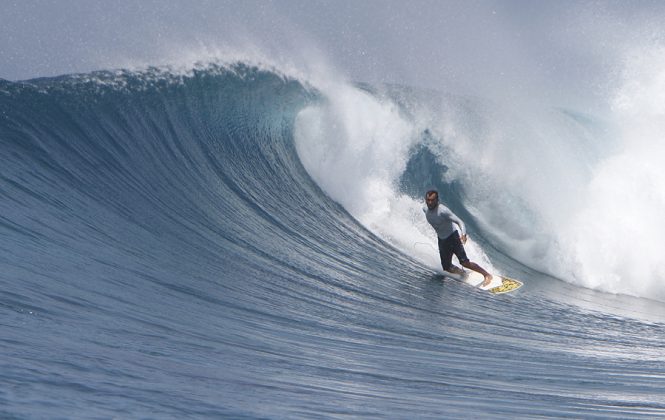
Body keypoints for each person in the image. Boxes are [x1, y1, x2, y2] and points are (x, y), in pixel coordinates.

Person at [423, 190, 493, 286]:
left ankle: (487, 275)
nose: (430, 202)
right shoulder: (425, 209)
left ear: (437, 200)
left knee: (465, 262)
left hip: (453, 237)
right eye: (428, 200)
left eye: (432, 200)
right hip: (442, 240)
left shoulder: (443, 211)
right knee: (447, 267)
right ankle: (463, 273)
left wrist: (463, 234)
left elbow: (460, 222)